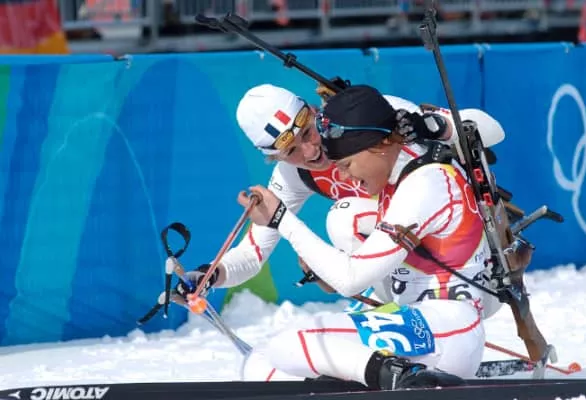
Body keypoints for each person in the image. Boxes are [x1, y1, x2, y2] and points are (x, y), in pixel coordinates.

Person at [174, 83, 512, 382]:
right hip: (398, 277)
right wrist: (209, 275)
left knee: (343, 216)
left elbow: (492, 130)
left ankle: (390, 361)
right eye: (291, 151)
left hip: (460, 277)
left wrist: (433, 125)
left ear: (314, 113)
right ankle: (382, 358)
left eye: (307, 133)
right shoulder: (293, 176)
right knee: (259, 364)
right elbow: (252, 253)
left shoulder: (374, 121)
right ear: (275, 158)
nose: (311, 152)